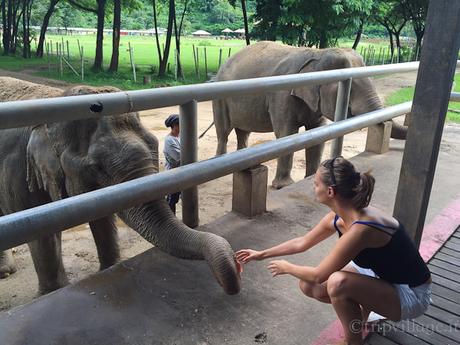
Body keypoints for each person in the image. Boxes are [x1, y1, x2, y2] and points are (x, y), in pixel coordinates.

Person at [236, 156, 431, 345]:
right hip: (380, 276)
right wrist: (261, 254)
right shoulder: (338, 217)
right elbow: (302, 242)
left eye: (316, 184)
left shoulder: (361, 229)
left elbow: (319, 275)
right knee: (308, 286)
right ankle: (363, 312)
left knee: (337, 282)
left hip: (411, 294)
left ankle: (353, 341)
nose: (314, 188)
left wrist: (286, 267)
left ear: (330, 191)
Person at [163, 114, 181, 214]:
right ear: (174, 126)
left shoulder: (180, 136)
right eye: (181, 124)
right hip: (173, 174)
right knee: (171, 200)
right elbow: (180, 157)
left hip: (181, 172)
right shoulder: (169, 140)